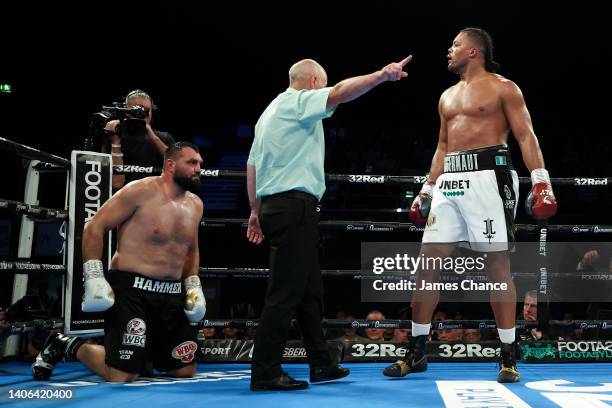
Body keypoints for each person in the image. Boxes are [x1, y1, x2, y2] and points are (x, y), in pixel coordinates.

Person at [383, 27, 557, 383]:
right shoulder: (446, 96)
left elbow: (526, 135)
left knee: (497, 268)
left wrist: (541, 180)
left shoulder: (503, 88)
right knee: (426, 266)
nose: (449, 50)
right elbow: (442, 147)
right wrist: (426, 189)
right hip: (449, 182)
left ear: (474, 51)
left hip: (489, 179)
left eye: (456, 44)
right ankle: (416, 350)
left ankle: (508, 355)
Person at [246, 56, 412, 391]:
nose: (323, 95)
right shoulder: (298, 100)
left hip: (279, 205)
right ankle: (264, 372)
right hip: (293, 205)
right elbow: (339, 92)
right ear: (312, 82)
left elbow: (252, 165)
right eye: (320, 86)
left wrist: (255, 210)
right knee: (285, 293)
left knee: (309, 292)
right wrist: (381, 75)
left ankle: (321, 364)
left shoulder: (269, 112)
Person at [32, 142, 206, 382]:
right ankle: (69, 344)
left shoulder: (195, 204)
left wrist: (193, 285)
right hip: (132, 291)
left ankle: (140, 356)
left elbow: (192, 249)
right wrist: (94, 274)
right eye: (192, 163)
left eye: (200, 164)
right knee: (123, 376)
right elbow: (95, 226)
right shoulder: (139, 191)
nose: (199, 169)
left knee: (184, 370)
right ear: (170, 165)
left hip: (171, 294)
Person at [104, 90, 175, 190]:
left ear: (151, 112)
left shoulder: (164, 138)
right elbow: (117, 183)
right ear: (126, 110)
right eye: (136, 110)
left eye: (146, 110)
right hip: (124, 200)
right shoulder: (113, 137)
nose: (142, 114)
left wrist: (154, 138)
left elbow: (177, 166)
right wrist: (115, 143)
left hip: (155, 199)